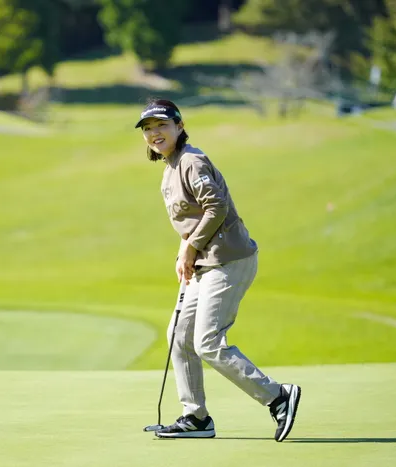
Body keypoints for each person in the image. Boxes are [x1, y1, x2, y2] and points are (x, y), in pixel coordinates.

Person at [135, 98, 302, 442]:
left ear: (179, 127)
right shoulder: (171, 167)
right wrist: (185, 251)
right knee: (179, 336)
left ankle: (278, 397)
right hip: (205, 262)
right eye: (148, 129)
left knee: (207, 342)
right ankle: (196, 417)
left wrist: (191, 246)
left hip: (229, 260)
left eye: (162, 125)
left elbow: (216, 206)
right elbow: (193, 219)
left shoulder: (191, 161)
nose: (155, 133)